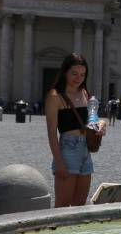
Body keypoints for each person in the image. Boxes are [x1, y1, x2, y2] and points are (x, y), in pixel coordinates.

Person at [44, 53, 107, 207]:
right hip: (68, 149)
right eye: (74, 73)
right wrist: (59, 162)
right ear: (65, 72)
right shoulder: (55, 96)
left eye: (82, 75)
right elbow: (52, 133)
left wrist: (102, 124)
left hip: (85, 150)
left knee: (80, 204)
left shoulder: (85, 93)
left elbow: (94, 119)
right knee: (63, 205)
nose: (78, 78)